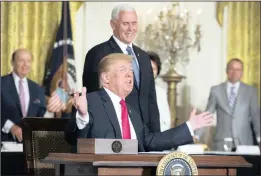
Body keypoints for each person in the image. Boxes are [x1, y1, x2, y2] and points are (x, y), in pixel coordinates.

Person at [67, 53, 214, 151]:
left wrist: (190, 126)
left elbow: (151, 141)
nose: (129, 74)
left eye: (131, 71)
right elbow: (73, 139)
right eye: (123, 70)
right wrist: (82, 116)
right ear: (106, 78)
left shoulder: (132, 112)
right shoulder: (90, 102)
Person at [82, 4, 161, 132]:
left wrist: (156, 137)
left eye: (134, 23)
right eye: (125, 24)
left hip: (144, 136)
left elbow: (151, 100)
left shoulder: (144, 57)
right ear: (113, 25)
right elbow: (93, 99)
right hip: (116, 133)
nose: (131, 29)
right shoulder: (98, 54)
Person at [1, 48, 66, 142]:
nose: (25, 64)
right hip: (4, 143)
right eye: (21, 60)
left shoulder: (38, 89)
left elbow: (41, 115)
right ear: (12, 63)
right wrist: (11, 127)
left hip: (31, 144)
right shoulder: (2, 84)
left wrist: (50, 110)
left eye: (28, 61)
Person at [196, 58, 260, 150]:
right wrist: (197, 136)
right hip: (222, 143)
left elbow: (256, 117)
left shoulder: (251, 91)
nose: (235, 72)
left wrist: (259, 138)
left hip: (244, 143)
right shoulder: (216, 90)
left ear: (242, 73)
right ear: (226, 71)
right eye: (232, 69)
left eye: (238, 70)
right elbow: (208, 114)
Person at [148, 51, 171, 131]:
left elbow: (166, 120)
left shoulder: (161, 92)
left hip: (159, 135)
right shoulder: (132, 90)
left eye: (153, 69)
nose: (150, 72)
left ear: (157, 71)